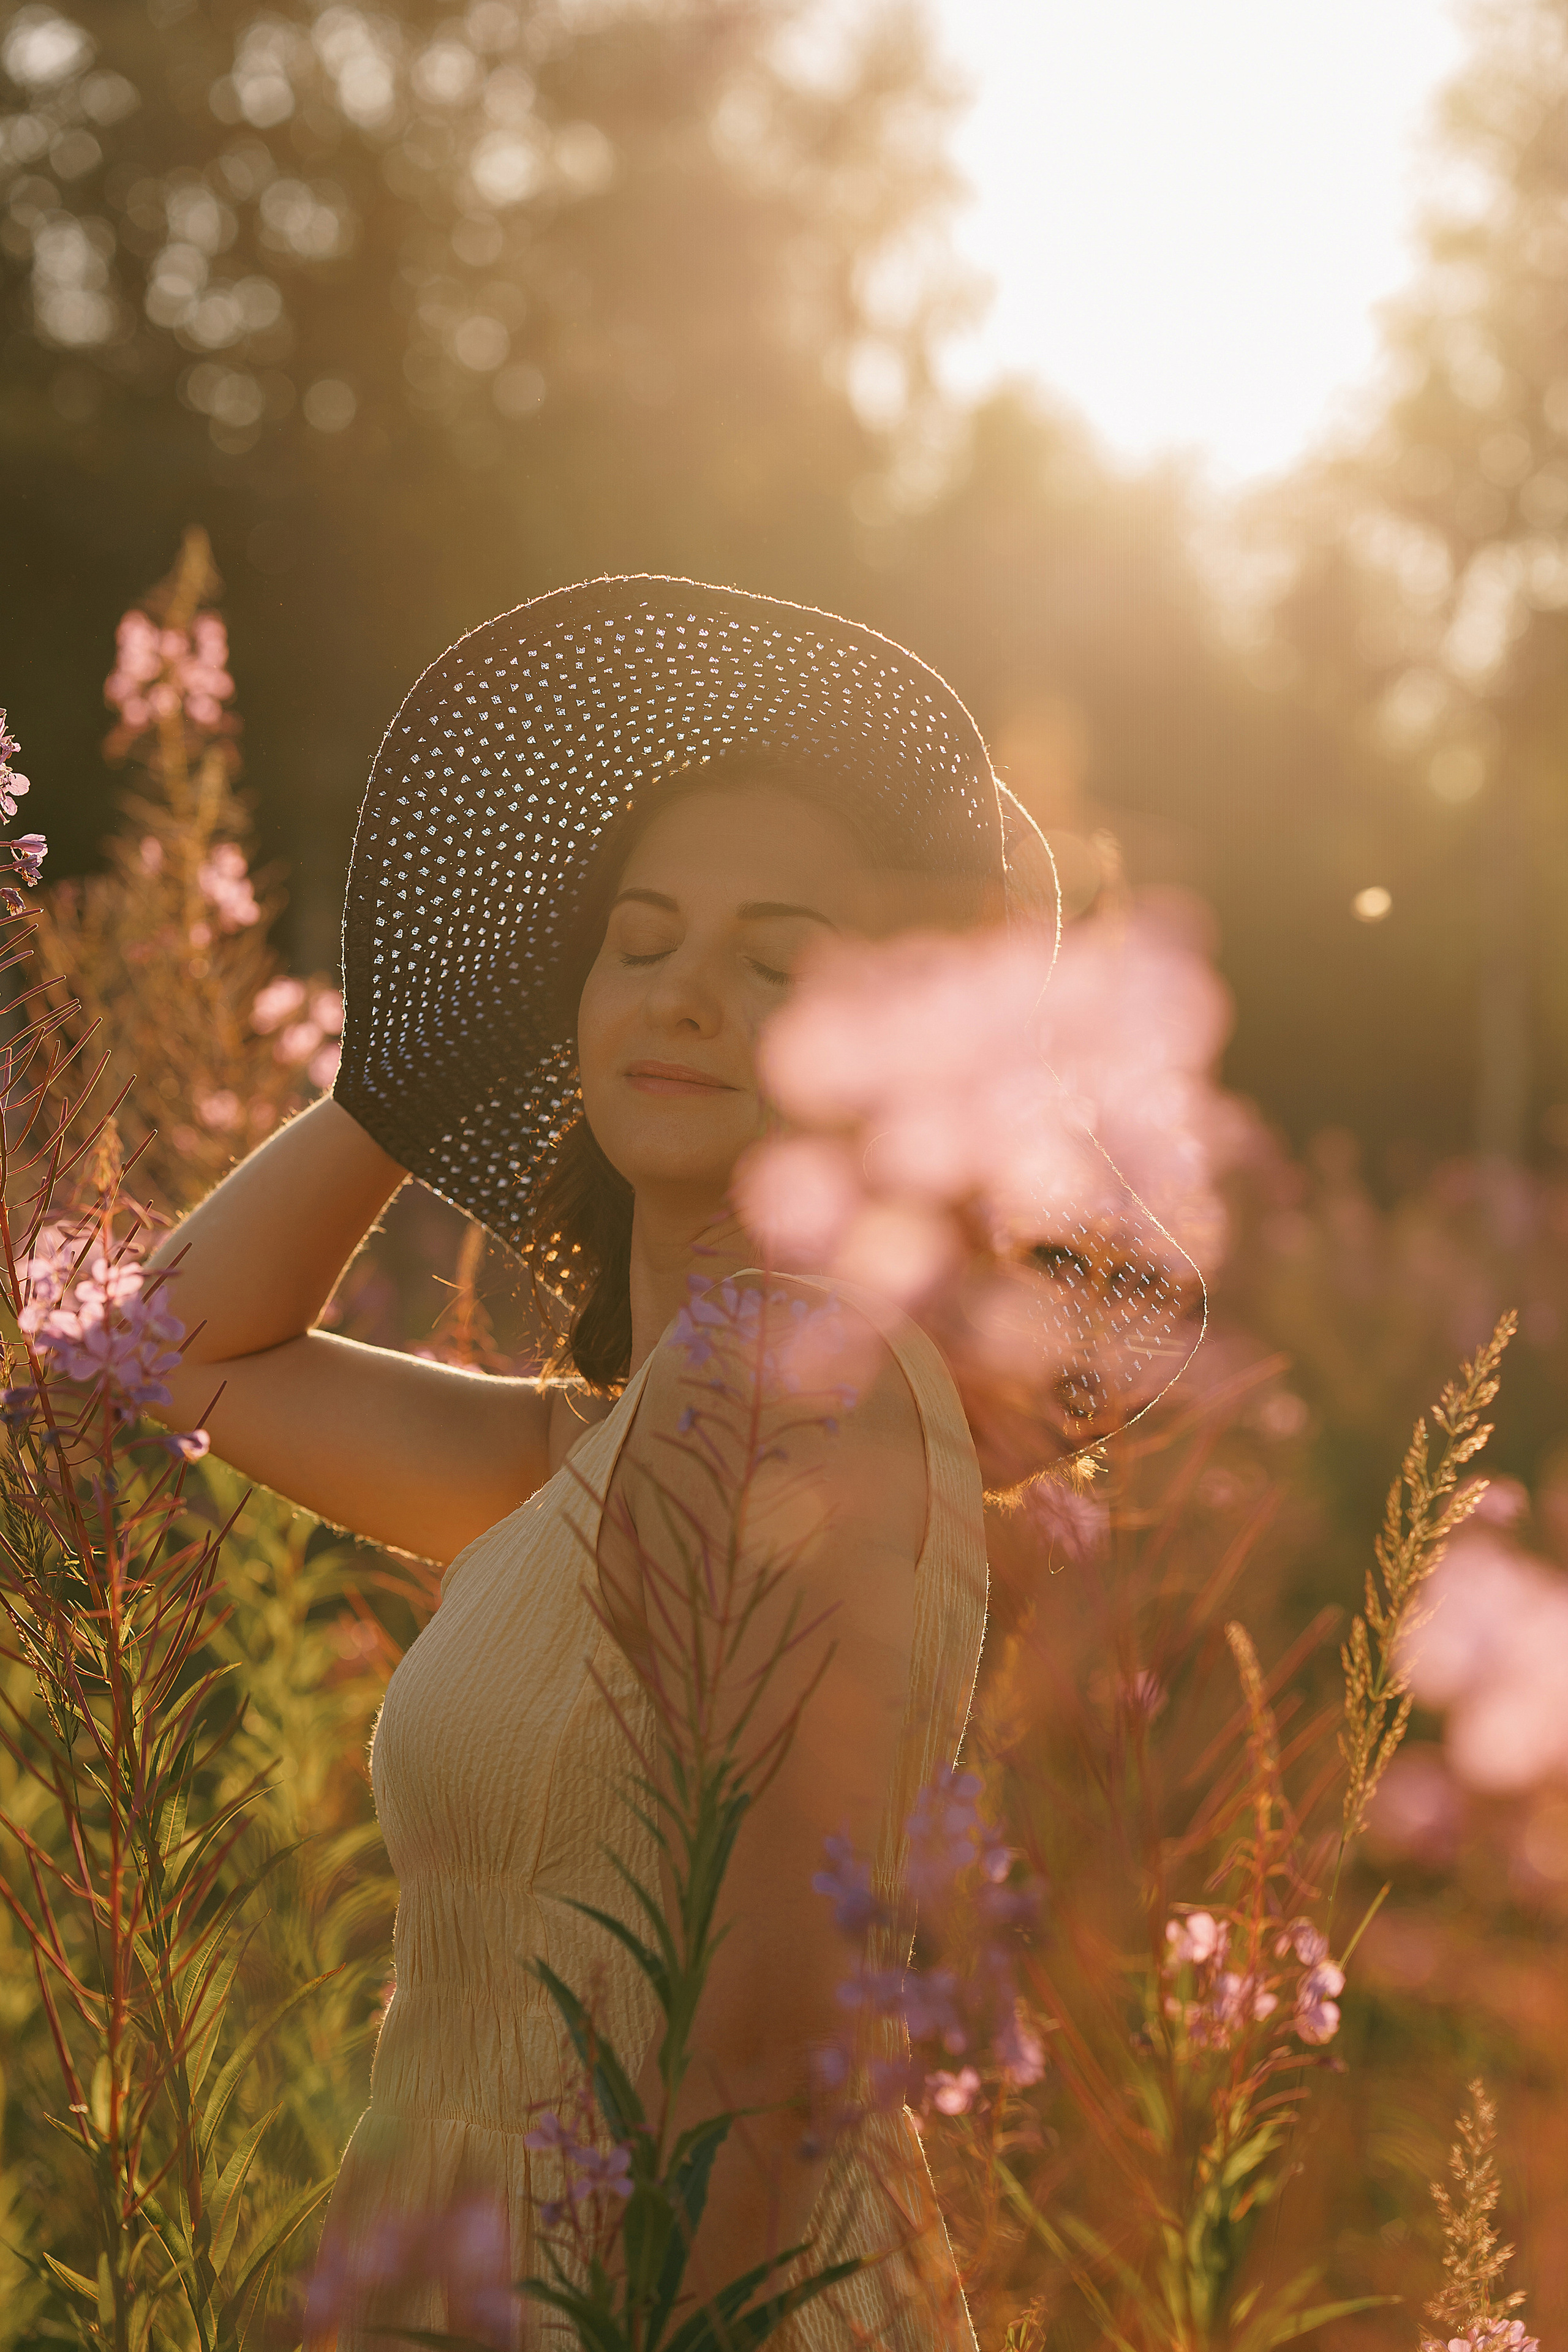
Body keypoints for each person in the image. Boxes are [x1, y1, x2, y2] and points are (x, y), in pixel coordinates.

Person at [150, 578, 1188, 2348]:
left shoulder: (799, 1402)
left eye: (778, 962)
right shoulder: (625, 1443)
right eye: (636, 938)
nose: (686, 993)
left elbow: (767, 2062)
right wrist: (415, 1070)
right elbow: (178, 1354)